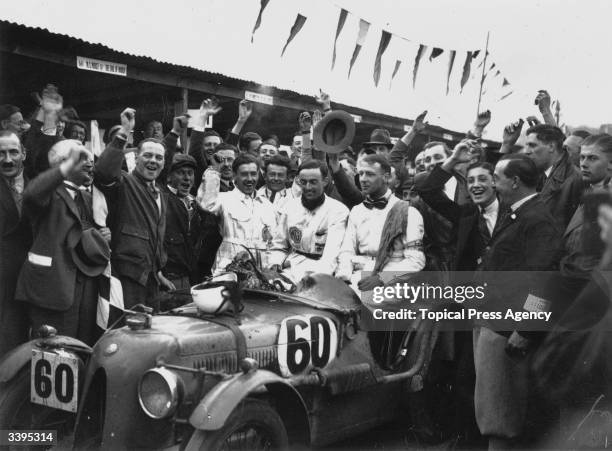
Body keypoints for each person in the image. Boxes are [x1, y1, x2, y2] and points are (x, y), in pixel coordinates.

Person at [473, 154, 561, 449]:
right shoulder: (520, 212)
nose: (493, 184)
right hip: (493, 322)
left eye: (496, 177)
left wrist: (525, 330)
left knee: (500, 413)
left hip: (507, 330)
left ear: (515, 181)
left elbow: (544, 280)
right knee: (492, 405)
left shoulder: (536, 219)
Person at [15, 139, 108, 345]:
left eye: (91, 160)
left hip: (84, 292)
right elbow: (31, 194)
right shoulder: (48, 193)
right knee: (53, 355)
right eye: (82, 159)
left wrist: (100, 237)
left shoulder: (86, 197)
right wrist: (66, 169)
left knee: (80, 351)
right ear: (62, 163)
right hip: (51, 292)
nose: (90, 164)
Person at [94, 108, 173, 310]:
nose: (153, 161)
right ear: (136, 157)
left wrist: (158, 272)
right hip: (127, 279)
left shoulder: (160, 193)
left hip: (151, 279)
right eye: (147, 155)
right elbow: (102, 172)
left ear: (164, 163)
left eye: (159, 158)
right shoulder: (125, 182)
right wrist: (124, 133)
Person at [336, 154, 425, 292]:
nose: (363, 179)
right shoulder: (356, 211)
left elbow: (416, 261)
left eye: (370, 174)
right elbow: (347, 250)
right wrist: (343, 277)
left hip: (394, 281)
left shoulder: (408, 212)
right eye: (361, 174)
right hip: (357, 277)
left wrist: (382, 278)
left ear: (386, 177)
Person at [418, 140, 500, 272]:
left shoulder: (512, 210)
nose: (476, 185)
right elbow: (428, 192)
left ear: (495, 181)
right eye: (470, 181)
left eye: (482, 179)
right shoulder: (467, 215)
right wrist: (453, 159)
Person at [197, 153, 278, 272]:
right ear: (234, 176)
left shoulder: (268, 206)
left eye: (253, 174)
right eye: (244, 174)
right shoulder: (224, 199)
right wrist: (214, 171)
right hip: (228, 266)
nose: (250, 179)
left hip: (261, 269)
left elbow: (274, 241)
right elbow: (206, 203)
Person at [271, 160, 349, 282]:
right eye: (304, 182)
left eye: (313, 182)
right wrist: (275, 264)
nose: (308, 187)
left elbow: (331, 255)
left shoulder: (338, 211)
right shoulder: (289, 207)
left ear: (325, 181)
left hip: (322, 270)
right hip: (292, 268)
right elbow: (279, 245)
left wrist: (316, 280)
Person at [0, 131, 32, 356]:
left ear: (24, 153)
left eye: (13, 152)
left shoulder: (37, 186)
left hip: (33, 281)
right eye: (1, 153)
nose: (8, 159)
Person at [523, 123, 583, 228]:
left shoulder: (575, 179)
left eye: (532, 145)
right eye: (526, 145)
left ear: (551, 147)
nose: (526, 151)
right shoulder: (537, 173)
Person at [162, 154, 203, 289]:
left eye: (190, 173)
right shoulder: (162, 199)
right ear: (169, 176)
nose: (187, 178)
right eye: (181, 173)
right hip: (167, 278)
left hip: (189, 277)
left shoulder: (195, 203)